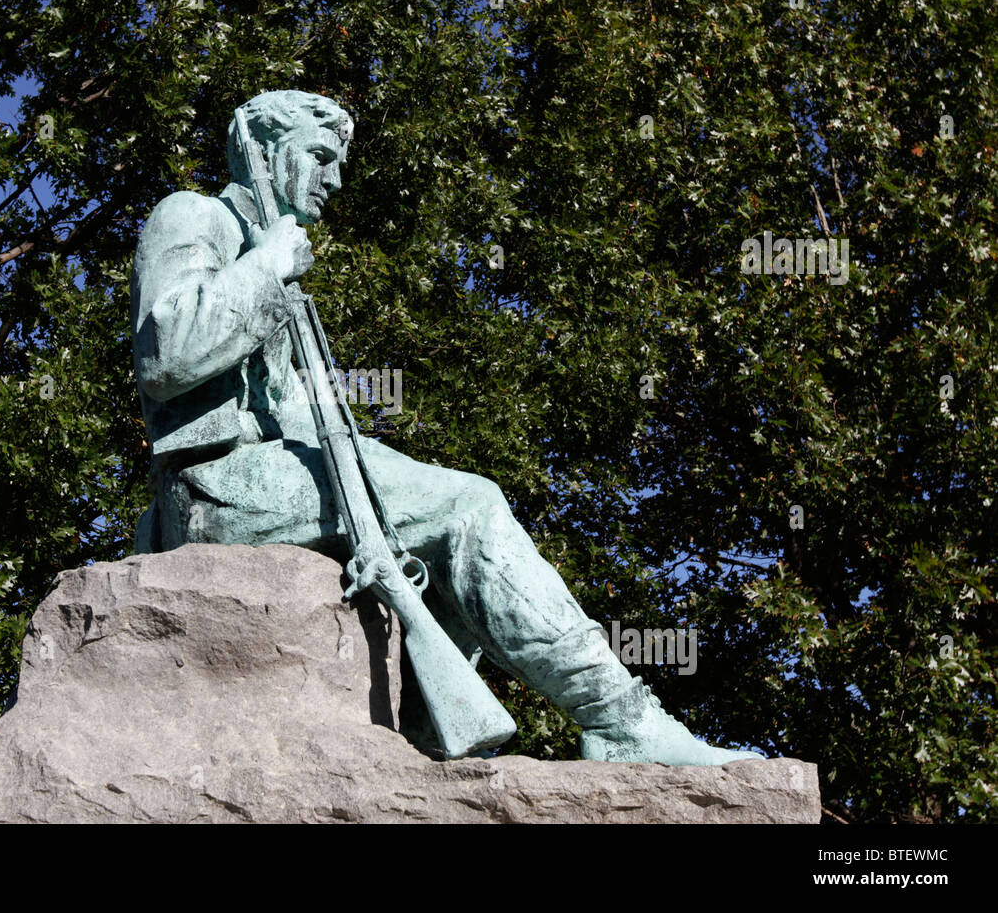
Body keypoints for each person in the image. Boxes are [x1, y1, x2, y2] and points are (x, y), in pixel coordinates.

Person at [132, 90, 762, 765]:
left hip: (277, 476)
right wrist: (268, 266)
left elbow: (299, 414)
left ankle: (427, 744)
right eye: (319, 157)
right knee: (470, 506)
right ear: (266, 151)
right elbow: (167, 355)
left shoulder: (281, 258)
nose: (334, 180)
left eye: (337, 163)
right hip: (217, 486)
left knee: (439, 542)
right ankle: (622, 722)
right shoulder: (193, 215)